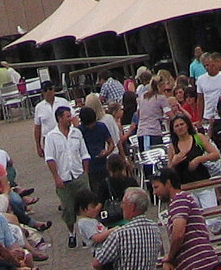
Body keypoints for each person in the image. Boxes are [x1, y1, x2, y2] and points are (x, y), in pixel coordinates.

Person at [150, 168, 219, 270]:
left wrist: (170, 257)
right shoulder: (181, 199)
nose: (154, 192)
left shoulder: (179, 200)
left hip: (198, 263)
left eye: (156, 187)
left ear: (168, 183)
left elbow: (178, 234)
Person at [43, 105, 89, 245]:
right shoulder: (51, 137)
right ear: (60, 118)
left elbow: (84, 153)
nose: (70, 119)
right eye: (68, 116)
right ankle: (71, 233)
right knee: (69, 208)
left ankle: (85, 234)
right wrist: (56, 177)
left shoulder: (76, 133)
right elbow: (50, 158)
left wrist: (85, 173)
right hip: (64, 178)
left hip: (78, 174)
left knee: (85, 206)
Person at [92, 186, 163, 270]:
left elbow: (97, 262)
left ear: (132, 207)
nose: (121, 206)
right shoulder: (155, 229)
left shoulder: (120, 234)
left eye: (123, 203)